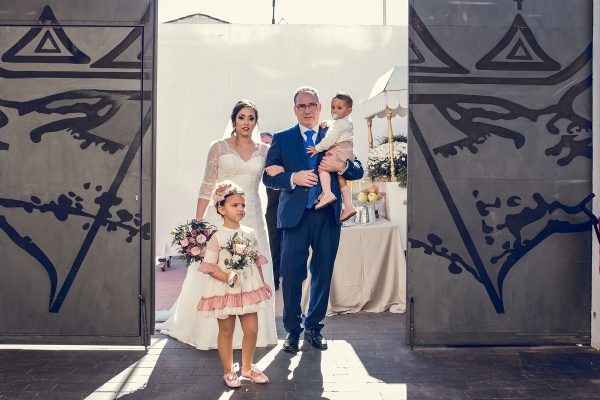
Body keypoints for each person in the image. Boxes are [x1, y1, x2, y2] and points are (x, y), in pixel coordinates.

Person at [157, 100, 278, 350]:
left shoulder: (265, 151)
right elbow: (206, 184)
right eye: (242, 117)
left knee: (252, 270)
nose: (246, 122)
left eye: (251, 118)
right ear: (234, 120)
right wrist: (199, 223)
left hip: (252, 216)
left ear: (256, 122)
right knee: (216, 270)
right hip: (220, 218)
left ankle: (255, 331)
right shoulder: (219, 147)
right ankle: (209, 332)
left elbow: (276, 177)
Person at [263, 86, 364, 352]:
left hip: (328, 216)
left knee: (322, 273)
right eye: (301, 106)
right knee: (292, 275)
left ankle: (314, 328)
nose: (307, 110)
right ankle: (292, 331)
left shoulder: (334, 132)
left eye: (312, 105)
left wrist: (340, 167)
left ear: (320, 107)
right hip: (294, 217)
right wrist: (292, 178)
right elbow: (267, 177)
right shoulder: (282, 139)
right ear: (294, 109)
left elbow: (357, 168)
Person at [198, 181, 271, 388]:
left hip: (248, 288)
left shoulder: (249, 233)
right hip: (226, 289)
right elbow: (209, 266)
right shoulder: (217, 237)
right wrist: (227, 276)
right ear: (221, 209)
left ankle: (247, 368)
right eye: (234, 205)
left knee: (252, 329)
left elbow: (255, 260)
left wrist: (263, 282)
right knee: (227, 331)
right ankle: (229, 370)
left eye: (242, 205)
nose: (240, 209)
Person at [307, 92, 357, 222]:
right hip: (346, 149)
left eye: (339, 108)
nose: (334, 110)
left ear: (349, 110)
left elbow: (330, 139)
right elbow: (338, 124)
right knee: (341, 178)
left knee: (323, 168)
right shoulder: (344, 121)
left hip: (339, 149)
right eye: (332, 107)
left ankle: (327, 193)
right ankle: (349, 206)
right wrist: (328, 122)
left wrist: (317, 148)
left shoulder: (339, 125)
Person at [260, 132, 282, 290]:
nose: (267, 146)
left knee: (274, 247)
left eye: (269, 143)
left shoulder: (279, 163)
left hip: (274, 213)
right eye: (263, 143)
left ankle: (274, 281)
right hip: (256, 211)